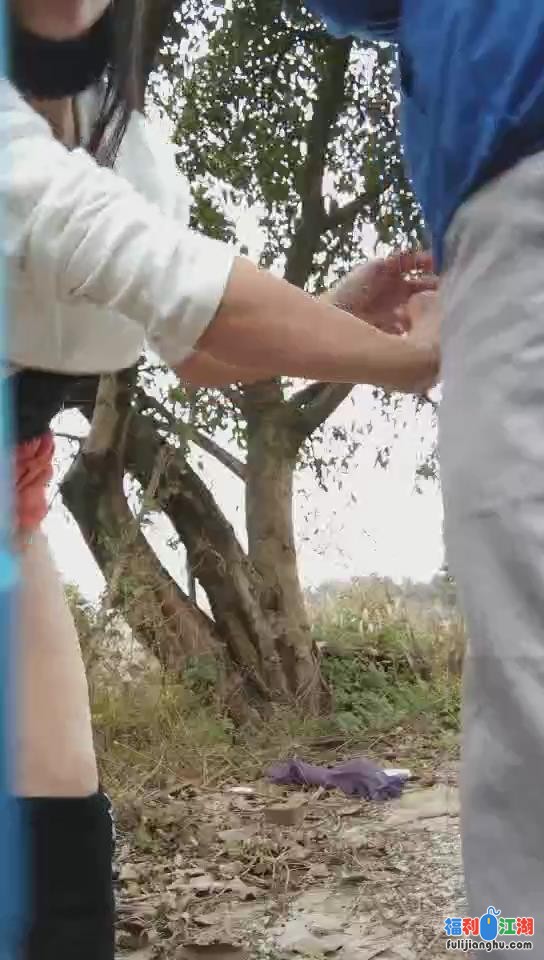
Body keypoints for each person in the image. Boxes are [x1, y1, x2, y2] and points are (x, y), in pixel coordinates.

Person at [2, 2, 440, 957]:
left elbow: (190, 339)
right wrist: (408, 361)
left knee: (61, 856)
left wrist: (336, 317)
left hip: (12, 500)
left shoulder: (126, 142)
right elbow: (163, 277)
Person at [306, 0, 544, 950]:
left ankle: (509, 936)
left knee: (525, 668)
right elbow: (188, 330)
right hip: (500, 235)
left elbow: (186, 324)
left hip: (513, 201)